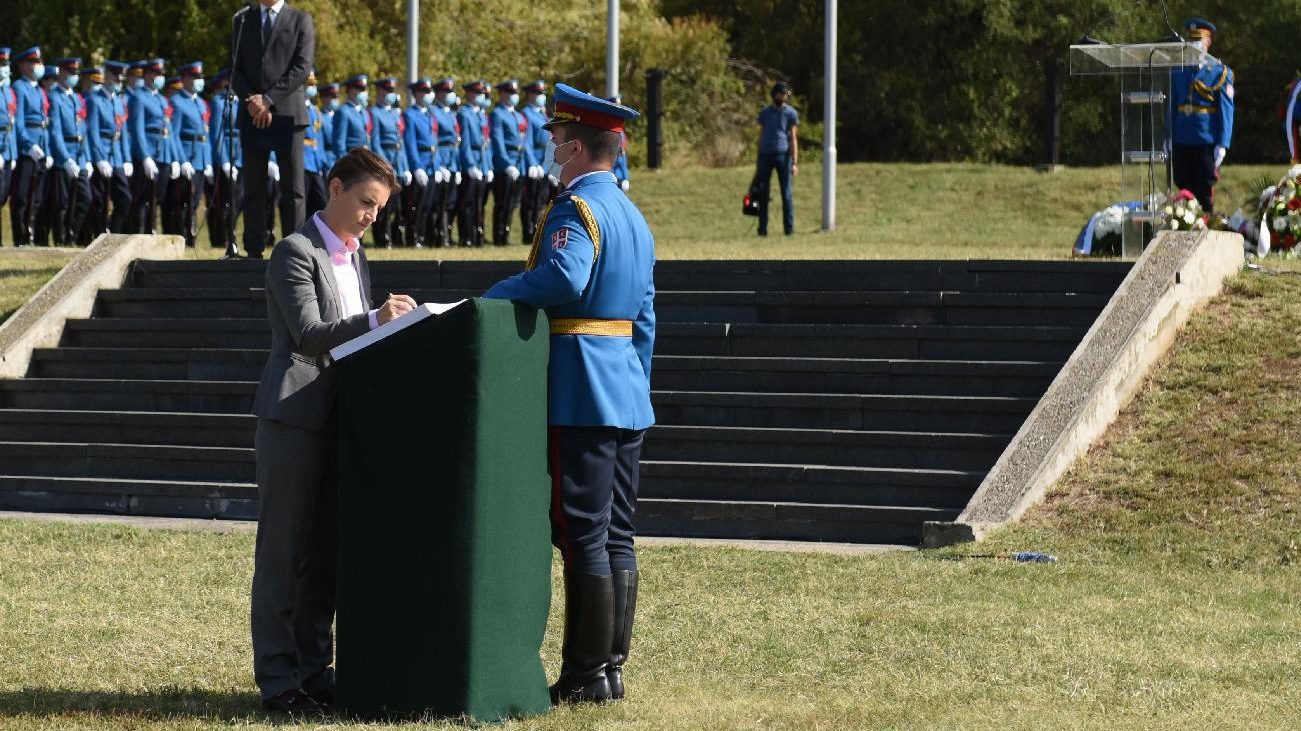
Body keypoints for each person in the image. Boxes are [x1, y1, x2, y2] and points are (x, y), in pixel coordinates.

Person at [482, 84, 654, 705]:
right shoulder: (632, 215)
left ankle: (585, 674)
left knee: (582, 532)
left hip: (580, 389)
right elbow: (645, 315)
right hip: (624, 388)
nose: (553, 147)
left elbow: (563, 276)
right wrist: (635, 383)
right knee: (616, 533)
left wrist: (493, 296)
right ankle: (609, 668)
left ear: (577, 147)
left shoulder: (575, 207)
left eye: (558, 138)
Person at [250, 146, 415, 716]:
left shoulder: (355, 256)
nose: (372, 215)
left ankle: (315, 674)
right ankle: (278, 682)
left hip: (340, 420)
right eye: (366, 202)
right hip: (294, 418)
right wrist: (375, 319)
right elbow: (308, 333)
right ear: (336, 187)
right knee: (283, 556)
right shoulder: (295, 251)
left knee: (323, 558)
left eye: (380, 208)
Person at [232, 0, 315, 259]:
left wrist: (268, 100)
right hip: (252, 113)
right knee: (254, 186)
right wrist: (253, 101)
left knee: (293, 189)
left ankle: (294, 251)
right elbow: (235, 67)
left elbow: (302, 66)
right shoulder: (243, 19)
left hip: (288, 112)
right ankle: (254, 249)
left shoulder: (300, 20)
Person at [1170, 18, 1233, 213]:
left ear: (1208, 42)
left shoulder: (1220, 72)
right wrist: (1168, 135)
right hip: (1182, 136)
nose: (1195, 46)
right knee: (1182, 183)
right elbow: (1172, 106)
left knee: (1204, 187)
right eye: (1191, 42)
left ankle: (1206, 220)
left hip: (1206, 139)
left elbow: (1226, 110)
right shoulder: (1178, 71)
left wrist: (1223, 143)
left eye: (1199, 41)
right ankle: (1186, 222)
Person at [127, 58, 178, 236]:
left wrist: (174, 158)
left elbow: (169, 131)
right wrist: (145, 157)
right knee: (143, 197)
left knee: (158, 196)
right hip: (148, 152)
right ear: (147, 75)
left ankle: (151, 232)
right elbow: (137, 130)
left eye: (161, 74)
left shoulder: (162, 100)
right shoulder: (138, 97)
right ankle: (140, 234)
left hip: (163, 153)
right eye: (156, 73)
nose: (159, 77)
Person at [168, 62, 214, 247]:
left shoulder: (201, 103)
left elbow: (206, 134)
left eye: (200, 78)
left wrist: (208, 161)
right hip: (188, 156)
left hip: (201, 157)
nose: (199, 81)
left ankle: (191, 237)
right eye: (195, 77)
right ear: (185, 79)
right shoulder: (177, 102)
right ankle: (182, 236)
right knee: (183, 201)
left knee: (195, 201)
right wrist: (181, 160)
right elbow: (174, 134)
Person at [85, 62, 134, 237]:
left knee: (125, 198)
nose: (118, 82)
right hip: (103, 154)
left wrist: (127, 159)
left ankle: (113, 233)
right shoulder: (94, 100)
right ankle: (98, 235)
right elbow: (92, 131)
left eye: (120, 79)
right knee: (100, 201)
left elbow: (123, 132)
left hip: (117, 156)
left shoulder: (118, 101)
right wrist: (99, 158)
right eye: (115, 78)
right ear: (106, 77)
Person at [489, 79, 540, 245]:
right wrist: (506, 164)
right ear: (502, 94)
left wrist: (530, 164)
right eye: (510, 92)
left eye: (515, 93)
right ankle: (499, 236)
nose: (514, 96)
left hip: (519, 163)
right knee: (502, 202)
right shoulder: (497, 114)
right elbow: (498, 141)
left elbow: (525, 142)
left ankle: (506, 233)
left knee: (513, 202)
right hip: (507, 164)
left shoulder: (518, 116)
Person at [11, 47, 52, 247]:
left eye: (39, 62)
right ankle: (20, 236)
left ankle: (31, 233)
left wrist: (48, 150)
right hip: (28, 149)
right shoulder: (19, 87)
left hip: (41, 147)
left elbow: (45, 123)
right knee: (22, 195)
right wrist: (29, 145)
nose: (38, 66)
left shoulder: (39, 90)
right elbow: (19, 122)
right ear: (23, 65)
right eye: (34, 62)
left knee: (36, 196)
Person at [47, 57, 91, 245]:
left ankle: (72, 235)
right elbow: (55, 131)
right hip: (64, 155)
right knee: (62, 202)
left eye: (75, 73)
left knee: (85, 199)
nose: (73, 76)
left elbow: (84, 129)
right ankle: (61, 239)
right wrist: (65, 158)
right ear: (62, 73)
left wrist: (86, 158)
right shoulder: (54, 97)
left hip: (79, 155)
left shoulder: (77, 98)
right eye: (70, 73)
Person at [368, 76, 410, 247]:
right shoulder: (375, 113)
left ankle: (392, 235)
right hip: (385, 160)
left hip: (397, 160)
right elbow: (376, 141)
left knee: (396, 205)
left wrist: (404, 167)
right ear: (379, 91)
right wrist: (384, 165)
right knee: (382, 204)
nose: (391, 94)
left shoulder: (394, 114)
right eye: (388, 90)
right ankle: (381, 237)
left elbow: (400, 142)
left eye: (393, 90)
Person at [754, 80, 798, 236]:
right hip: (765, 156)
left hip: (783, 155)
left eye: (786, 95)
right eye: (781, 94)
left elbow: (793, 138)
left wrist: (794, 162)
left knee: (786, 194)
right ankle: (762, 229)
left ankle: (789, 229)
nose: (784, 97)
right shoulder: (765, 113)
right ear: (774, 95)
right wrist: (758, 157)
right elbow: (761, 135)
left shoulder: (791, 113)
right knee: (763, 193)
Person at [208, 69, 244, 252]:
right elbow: (217, 133)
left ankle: (233, 233)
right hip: (227, 155)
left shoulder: (241, 102)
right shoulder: (218, 102)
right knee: (226, 200)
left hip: (240, 157)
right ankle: (225, 237)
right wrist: (224, 160)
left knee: (239, 199)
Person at [403, 77, 437, 247]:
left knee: (428, 205)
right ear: (416, 94)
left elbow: (435, 141)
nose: (428, 94)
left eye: (429, 91)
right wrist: (416, 167)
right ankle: (413, 237)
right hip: (420, 163)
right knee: (415, 204)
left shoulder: (431, 114)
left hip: (431, 164)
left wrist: (437, 166)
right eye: (424, 91)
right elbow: (410, 142)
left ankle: (423, 236)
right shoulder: (410, 114)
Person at [456, 79, 489, 246]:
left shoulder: (481, 115)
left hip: (482, 161)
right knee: (467, 202)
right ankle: (466, 236)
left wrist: (487, 166)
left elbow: (486, 142)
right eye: (477, 93)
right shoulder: (464, 114)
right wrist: (470, 165)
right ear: (468, 94)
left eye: (481, 93)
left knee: (479, 202)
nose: (480, 96)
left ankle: (478, 234)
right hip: (472, 161)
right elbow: (465, 142)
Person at [430, 78, 461, 246]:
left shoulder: (450, 113)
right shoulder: (434, 112)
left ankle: (446, 232)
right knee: (438, 202)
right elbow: (435, 140)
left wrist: (456, 166)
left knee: (451, 202)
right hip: (441, 158)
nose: (450, 94)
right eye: (446, 91)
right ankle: (438, 235)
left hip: (452, 160)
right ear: (438, 93)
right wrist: (440, 165)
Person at [520, 80, 551, 243]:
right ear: (529, 95)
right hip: (534, 163)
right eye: (538, 93)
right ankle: (528, 232)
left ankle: (537, 231)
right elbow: (527, 141)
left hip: (544, 162)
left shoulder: (542, 114)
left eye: (542, 93)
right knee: (530, 200)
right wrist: (532, 163)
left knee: (542, 199)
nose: (541, 96)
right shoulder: (526, 114)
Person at [303, 70, 327, 217]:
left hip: (315, 162)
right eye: (309, 84)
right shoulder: (298, 107)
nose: (312, 88)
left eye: (313, 84)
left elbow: (319, 139)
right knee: (303, 201)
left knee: (320, 200)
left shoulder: (314, 110)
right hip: (303, 161)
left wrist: (322, 163)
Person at [0, 48, 14, 246]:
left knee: (3, 196)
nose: (5, 68)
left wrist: (13, 151)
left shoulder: (7, 91)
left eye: (5, 64)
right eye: (1, 64)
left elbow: (12, 123)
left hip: (8, 149)